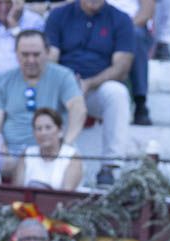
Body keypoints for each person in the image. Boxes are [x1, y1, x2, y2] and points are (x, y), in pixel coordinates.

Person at [44, 0, 134, 186]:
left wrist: (90, 83)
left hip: (97, 87)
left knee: (117, 93)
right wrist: (67, 83)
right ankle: (51, 160)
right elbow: (50, 58)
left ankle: (111, 166)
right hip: (63, 86)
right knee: (44, 86)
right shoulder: (59, 15)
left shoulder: (120, 19)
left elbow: (122, 67)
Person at [0, 30, 85, 176]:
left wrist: (66, 144)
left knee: (72, 162)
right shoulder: (3, 80)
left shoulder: (63, 75)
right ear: (16, 54)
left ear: (47, 53)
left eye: (36, 54)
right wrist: (0, 147)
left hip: (52, 151)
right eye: (25, 55)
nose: (31, 60)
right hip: (13, 153)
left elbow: (78, 108)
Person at [15, 107, 83, 190]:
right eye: (39, 128)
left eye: (48, 127)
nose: (43, 133)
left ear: (60, 131)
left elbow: (67, 194)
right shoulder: (27, 154)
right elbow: (16, 192)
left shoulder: (72, 157)